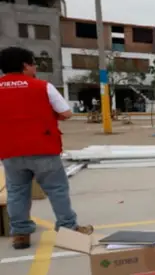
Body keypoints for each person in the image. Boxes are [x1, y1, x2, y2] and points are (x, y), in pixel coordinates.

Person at [0, 47, 93, 250]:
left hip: (10, 150)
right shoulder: (43, 87)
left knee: (16, 192)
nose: (35, 67)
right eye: (33, 63)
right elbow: (66, 113)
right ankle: (67, 227)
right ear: (25, 66)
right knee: (57, 189)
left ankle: (21, 234)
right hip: (43, 147)